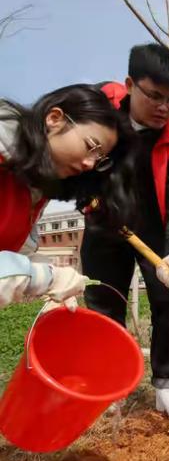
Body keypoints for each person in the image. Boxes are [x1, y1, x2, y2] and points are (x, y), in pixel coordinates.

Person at [81, 43, 169, 421]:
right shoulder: (96, 110)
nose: (164, 107)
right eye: (155, 96)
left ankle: (168, 385)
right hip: (104, 222)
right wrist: (89, 197)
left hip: (155, 229)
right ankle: (109, 385)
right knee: (103, 304)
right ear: (131, 84)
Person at [0, 84, 135, 309]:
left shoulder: (34, 189)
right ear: (54, 118)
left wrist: (40, 269)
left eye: (99, 159)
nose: (90, 164)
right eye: (91, 146)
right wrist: (43, 277)